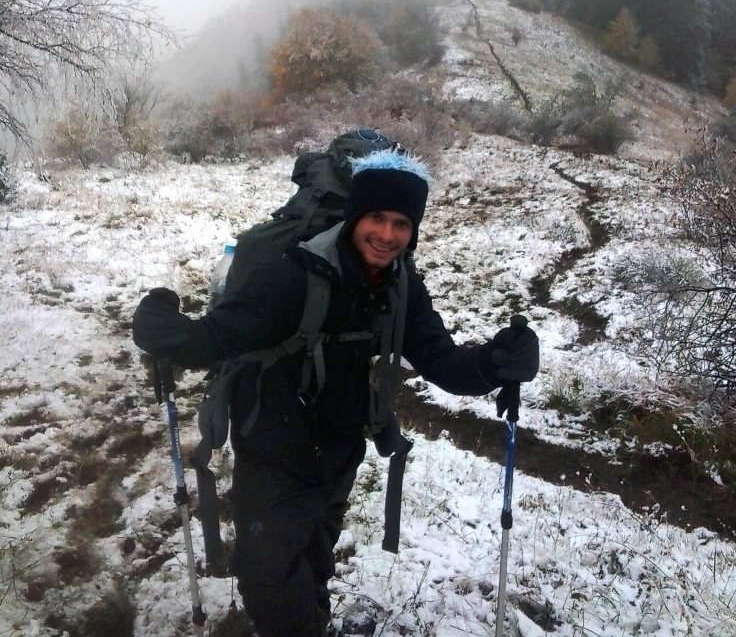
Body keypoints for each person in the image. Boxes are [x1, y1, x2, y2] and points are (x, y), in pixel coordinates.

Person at [132, 148, 539, 637]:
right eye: (376, 218)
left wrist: (495, 361)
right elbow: (219, 338)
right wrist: (167, 333)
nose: (388, 236)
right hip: (272, 448)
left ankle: (314, 620)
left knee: (315, 556)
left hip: (342, 447)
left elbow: (441, 361)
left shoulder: (401, 282)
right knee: (266, 575)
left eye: (402, 224)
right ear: (353, 215)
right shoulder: (290, 272)